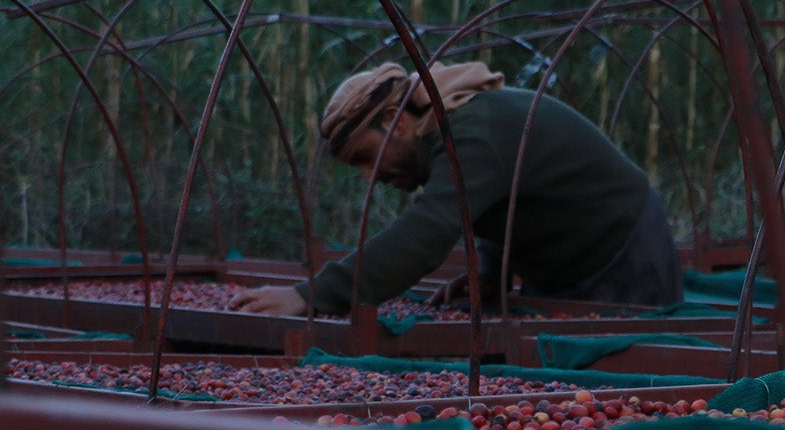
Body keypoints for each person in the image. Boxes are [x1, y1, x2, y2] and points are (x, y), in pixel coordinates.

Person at [233, 60, 682, 317]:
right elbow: (497, 203)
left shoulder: (470, 128)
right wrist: (490, 274)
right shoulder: (458, 130)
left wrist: (308, 295)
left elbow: (430, 230)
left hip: (624, 257)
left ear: (395, 122)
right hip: (573, 270)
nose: (371, 176)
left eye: (367, 157)